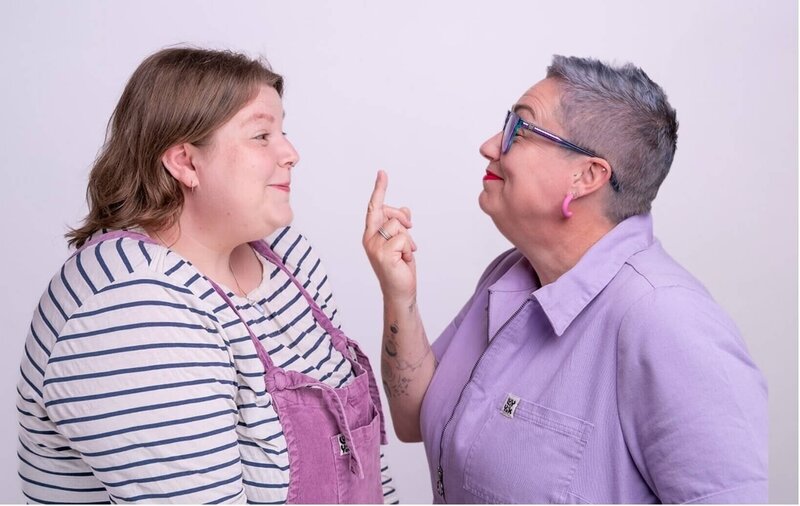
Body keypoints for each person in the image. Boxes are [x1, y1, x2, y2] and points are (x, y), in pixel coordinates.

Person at [363, 55, 767, 503]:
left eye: (519, 129)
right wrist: (399, 295)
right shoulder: (510, 275)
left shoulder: (669, 322)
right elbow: (414, 417)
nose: (490, 145)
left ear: (586, 176)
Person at [17, 47, 398, 504]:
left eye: (283, 132)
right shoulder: (133, 309)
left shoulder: (286, 259)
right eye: (261, 135)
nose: (291, 153)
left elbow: (366, 473)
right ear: (185, 162)